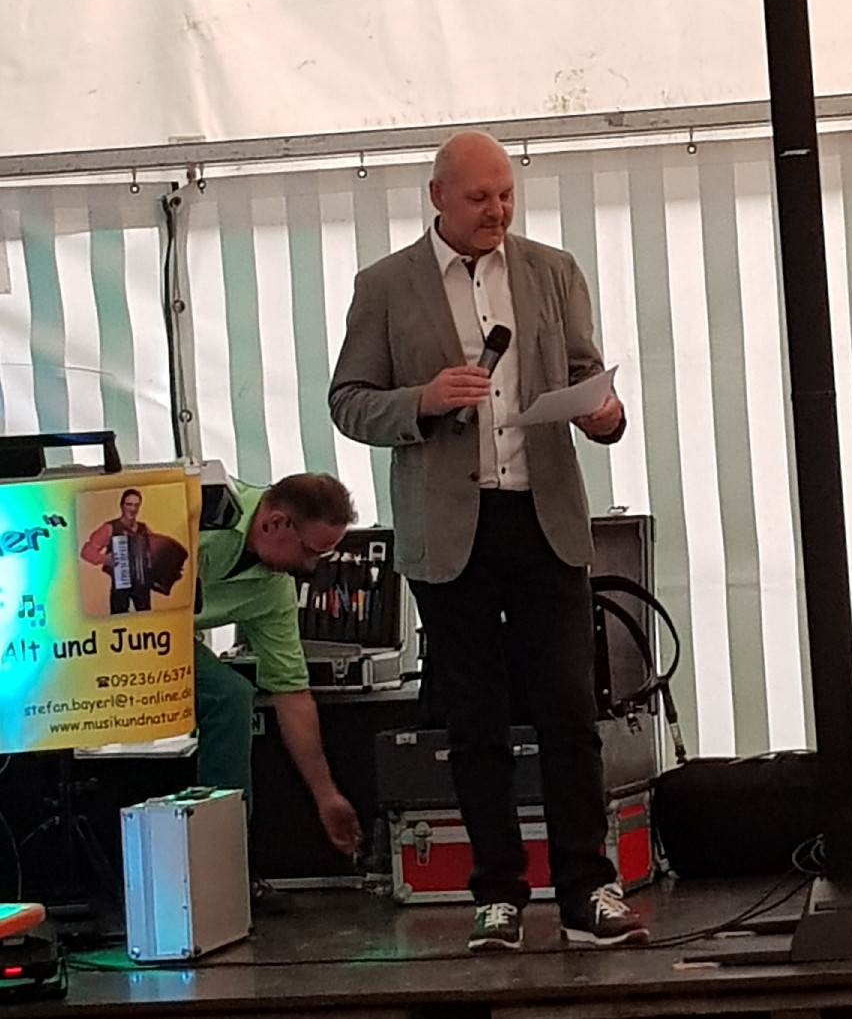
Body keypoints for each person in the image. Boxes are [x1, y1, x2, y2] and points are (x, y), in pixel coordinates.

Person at [329, 130, 648, 953]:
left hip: (544, 517)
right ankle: (497, 895)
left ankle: (587, 889)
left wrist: (604, 415)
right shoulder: (385, 285)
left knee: (569, 712)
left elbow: (585, 375)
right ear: (437, 197)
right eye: (479, 197)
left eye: (505, 194)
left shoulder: (552, 271)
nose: (496, 210)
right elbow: (348, 401)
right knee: (473, 723)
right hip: (448, 528)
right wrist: (423, 400)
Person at [193, 472, 362, 869]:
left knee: (230, 695)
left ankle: (227, 868)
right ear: (275, 523)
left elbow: (291, 692)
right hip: (91, 619)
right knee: (228, 695)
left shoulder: (273, 592)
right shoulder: (201, 508)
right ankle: (221, 864)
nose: (313, 567)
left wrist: (326, 796)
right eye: (311, 551)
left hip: (159, 638)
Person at [81, 488, 155, 613]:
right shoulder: (110, 528)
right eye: (129, 504)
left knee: (145, 619)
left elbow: (154, 550)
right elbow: (86, 551)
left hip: (142, 586)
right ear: (122, 506)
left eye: (136, 505)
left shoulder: (143, 529)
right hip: (121, 585)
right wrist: (105, 559)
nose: (133, 509)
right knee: (120, 618)